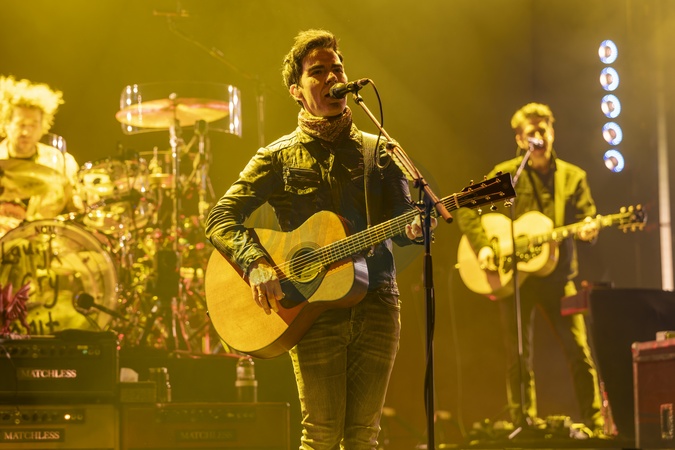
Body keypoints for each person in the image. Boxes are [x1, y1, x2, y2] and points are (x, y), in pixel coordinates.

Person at [206, 29, 434, 448]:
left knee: (364, 436)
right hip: (311, 307)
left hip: (377, 300)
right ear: (296, 90)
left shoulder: (379, 150)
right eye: (318, 71)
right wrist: (256, 264)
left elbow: (405, 222)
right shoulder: (277, 156)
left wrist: (416, 228)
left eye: (337, 68)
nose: (332, 77)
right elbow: (220, 217)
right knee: (321, 435)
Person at [455, 103, 604, 437]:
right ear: (520, 139)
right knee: (518, 355)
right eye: (532, 131)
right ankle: (524, 423)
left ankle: (595, 425)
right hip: (515, 278)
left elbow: (588, 218)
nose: (539, 136)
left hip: (559, 278)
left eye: (544, 129)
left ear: (552, 132)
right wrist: (484, 246)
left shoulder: (573, 177)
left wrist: (589, 229)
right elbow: (465, 207)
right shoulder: (509, 174)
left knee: (578, 351)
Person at [0, 75, 82, 234]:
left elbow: (79, 213)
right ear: (7, 123)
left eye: (33, 125)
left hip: (45, 244)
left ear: (43, 126)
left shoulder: (63, 164)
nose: (26, 132)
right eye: (21, 124)